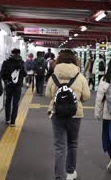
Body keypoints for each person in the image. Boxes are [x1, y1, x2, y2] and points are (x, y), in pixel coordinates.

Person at [46, 50, 91, 180]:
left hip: (57, 113)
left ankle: (59, 176)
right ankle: (70, 173)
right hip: (75, 114)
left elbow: (48, 95)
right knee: (73, 143)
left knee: (59, 146)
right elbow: (87, 96)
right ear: (74, 60)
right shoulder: (80, 76)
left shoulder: (54, 76)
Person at [1, 48, 27, 127]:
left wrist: (6, 81)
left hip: (8, 86)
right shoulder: (22, 62)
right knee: (15, 104)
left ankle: (7, 119)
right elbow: (25, 74)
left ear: (12, 53)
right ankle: (13, 122)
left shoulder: (6, 62)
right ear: (19, 53)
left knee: (8, 102)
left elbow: (2, 73)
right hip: (18, 87)